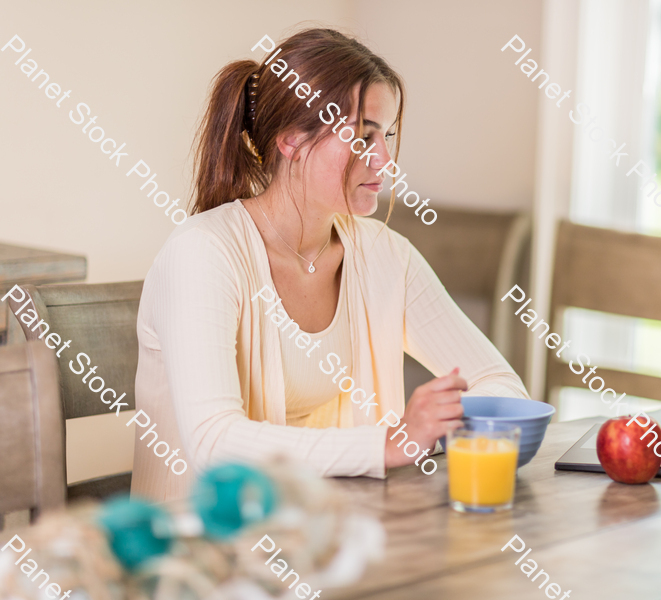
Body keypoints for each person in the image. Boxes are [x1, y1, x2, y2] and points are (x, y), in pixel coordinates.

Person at [132, 27, 528, 501]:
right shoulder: (202, 253)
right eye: (363, 137)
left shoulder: (384, 254)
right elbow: (215, 444)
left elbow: (501, 385)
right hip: (204, 559)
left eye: (387, 136)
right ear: (291, 140)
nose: (384, 159)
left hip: (332, 545)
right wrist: (391, 442)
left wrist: (443, 421)